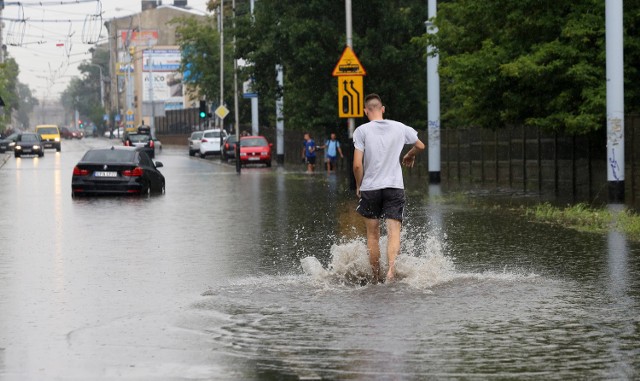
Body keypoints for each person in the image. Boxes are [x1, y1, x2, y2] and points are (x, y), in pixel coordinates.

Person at [353, 93, 425, 283]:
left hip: (371, 187)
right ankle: (391, 271)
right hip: (394, 186)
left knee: (373, 234)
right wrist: (409, 155)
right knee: (394, 232)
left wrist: (359, 185)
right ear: (382, 109)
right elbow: (420, 145)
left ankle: (376, 276)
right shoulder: (400, 127)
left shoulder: (361, 131)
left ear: (365, 110)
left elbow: (357, 165)